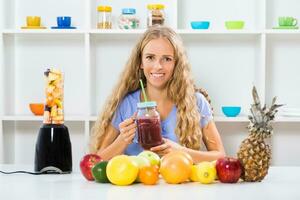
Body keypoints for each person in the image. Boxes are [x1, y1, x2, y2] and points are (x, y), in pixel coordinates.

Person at [90, 25, 225, 163]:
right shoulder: (126, 105)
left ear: (176, 64)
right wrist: (122, 141)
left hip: (178, 183)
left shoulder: (196, 102)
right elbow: (95, 162)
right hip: (139, 184)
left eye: (166, 59)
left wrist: (180, 151)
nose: (158, 66)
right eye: (150, 57)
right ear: (140, 62)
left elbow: (220, 156)